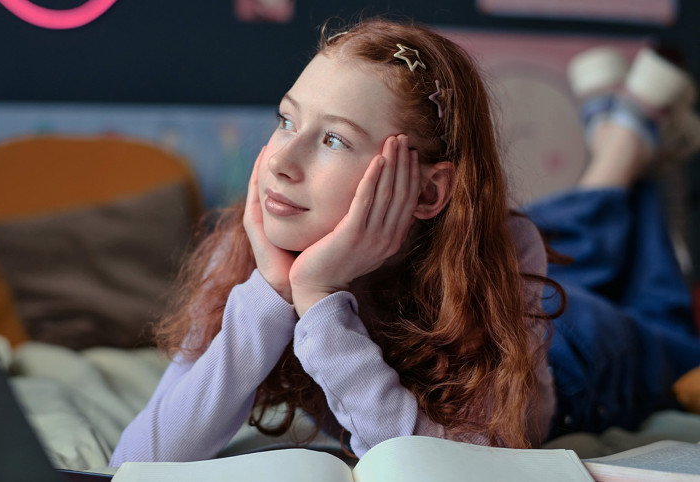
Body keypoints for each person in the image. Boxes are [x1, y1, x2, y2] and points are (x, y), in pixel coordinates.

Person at [109, 17, 559, 464]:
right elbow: (135, 463)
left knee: (603, 240)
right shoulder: (250, 251)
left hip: (582, 355)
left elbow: (472, 462)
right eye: (286, 120)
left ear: (426, 191)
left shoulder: (505, 250)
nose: (281, 161)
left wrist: (320, 299)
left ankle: (617, 145)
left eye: (333, 139)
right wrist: (274, 293)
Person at [526, 45, 700, 436]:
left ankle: (624, 142)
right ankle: (625, 142)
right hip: (535, 327)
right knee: (543, 258)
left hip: (553, 354)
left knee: (659, 331)